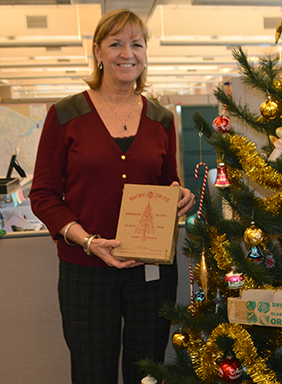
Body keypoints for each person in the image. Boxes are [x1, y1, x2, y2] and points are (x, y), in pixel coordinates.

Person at [29, 9, 195, 384]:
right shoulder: (66, 115)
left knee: (147, 371)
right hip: (85, 268)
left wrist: (179, 195)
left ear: (146, 53)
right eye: (116, 43)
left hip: (150, 269)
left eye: (137, 43)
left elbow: (168, 182)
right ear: (98, 52)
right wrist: (87, 241)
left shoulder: (161, 119)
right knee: (92, 372)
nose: (127, 53)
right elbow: (43, 195)